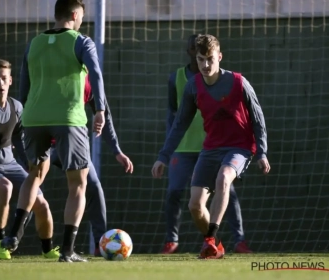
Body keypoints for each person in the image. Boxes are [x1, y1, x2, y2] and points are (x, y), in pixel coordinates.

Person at [1, 0, 106, 263]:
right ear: (74, 14)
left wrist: (25, 117)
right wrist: (100, 109)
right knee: (78, 184)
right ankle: (68, 251)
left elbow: (24, 84)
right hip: (68, 118)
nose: (82, 20)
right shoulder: (82, 42)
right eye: (81, 16)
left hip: (34, 117)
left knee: (35, 174)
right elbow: (96, 73)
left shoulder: (33, 43)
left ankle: (13, 234)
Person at [152, 34, 270, 259]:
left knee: (225, 177)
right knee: (195, 206)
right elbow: (179, 125)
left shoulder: (238, 82)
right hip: (211, 149)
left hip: (239, 147)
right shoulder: (192, 86)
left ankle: (209, 240)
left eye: (210, 59)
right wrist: (163, 156)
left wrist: (262, 153)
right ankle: (216, 247)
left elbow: (258, 119)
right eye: (200, 60)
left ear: (220, 57)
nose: (205, 65)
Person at [0, 59, 59, 260]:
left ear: (10, 82)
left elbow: (19, 139)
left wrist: (30, 164)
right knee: (5, 187)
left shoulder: (17, 107)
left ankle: (48, 249)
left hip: (11, 164)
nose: (0, 83)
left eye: (4, 78)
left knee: (41, 203)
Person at [50, 74, 134, 257]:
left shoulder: (90, 81)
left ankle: (101, 244)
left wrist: (117, 151)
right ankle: (12, 238)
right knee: (31, 185)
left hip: (73, 145)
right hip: (45, 144)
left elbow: (105, 115)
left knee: (93, 186)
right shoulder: (52, 70)